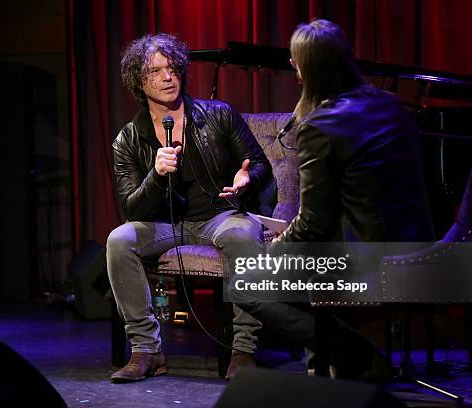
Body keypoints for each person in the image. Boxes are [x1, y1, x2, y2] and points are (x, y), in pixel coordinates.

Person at [235, 19, 434, 380]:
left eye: (295, 62)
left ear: (306, 68)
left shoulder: (320, 125)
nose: (292, 69)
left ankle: (360, 358)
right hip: (418, 246)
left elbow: (313, 223)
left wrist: (275, 249)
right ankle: (330, 365)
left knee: (247, 283)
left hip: (368, 259)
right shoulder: (391, 105)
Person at [107, 33, 272, 382]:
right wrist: (155, 174)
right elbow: (131, 208)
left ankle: (243, 351)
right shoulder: (128, 139)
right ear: (138, 81)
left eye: (172, 68)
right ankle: (146, 351)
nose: (168, 77)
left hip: (219, 216)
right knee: (119, 240)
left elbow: (259, 164)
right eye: (155, 71)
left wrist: (247, 180)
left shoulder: (219, 114)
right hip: (166, 225)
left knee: (244, 233)